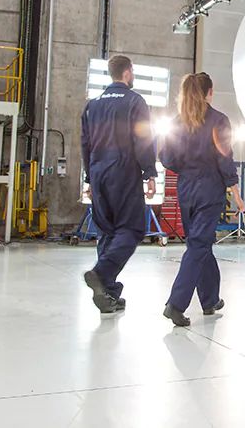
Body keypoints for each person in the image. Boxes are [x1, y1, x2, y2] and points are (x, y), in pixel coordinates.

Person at [160, 72, 244, 327]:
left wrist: (187, 166)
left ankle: (210, 300)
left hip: (186, 191)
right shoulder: (219, 120)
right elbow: (224, 159)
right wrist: (236, 193)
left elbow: (166, 158)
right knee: (198, 246)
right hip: (209, 191)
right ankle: (176, 304)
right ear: (209, 92)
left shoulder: (177, 122)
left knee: (200, 244)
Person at [80, 55, 158, 314]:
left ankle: (108, 295)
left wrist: (89, 177)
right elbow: (143, 138)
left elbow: (85, 144)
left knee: (107, 230)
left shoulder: (92, 105)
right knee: (133, 229)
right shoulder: (135, 101)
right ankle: (101, 274)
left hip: (98, 170)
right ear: (128, 72)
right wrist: (150, 172)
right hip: (123, 171)